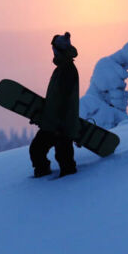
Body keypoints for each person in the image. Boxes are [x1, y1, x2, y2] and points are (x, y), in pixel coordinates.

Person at [29, 32, 79, 178]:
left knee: (64, 158)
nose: (53, 52)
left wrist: (59, 125)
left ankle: (70, 187)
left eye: (54, 50)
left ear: (59, 50)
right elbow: (54, 99)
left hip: (60, 124)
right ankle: (43, 175)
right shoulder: (61, 69)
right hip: (52, 123)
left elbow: (64, 100)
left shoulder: (67, 70)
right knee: (37, 150)